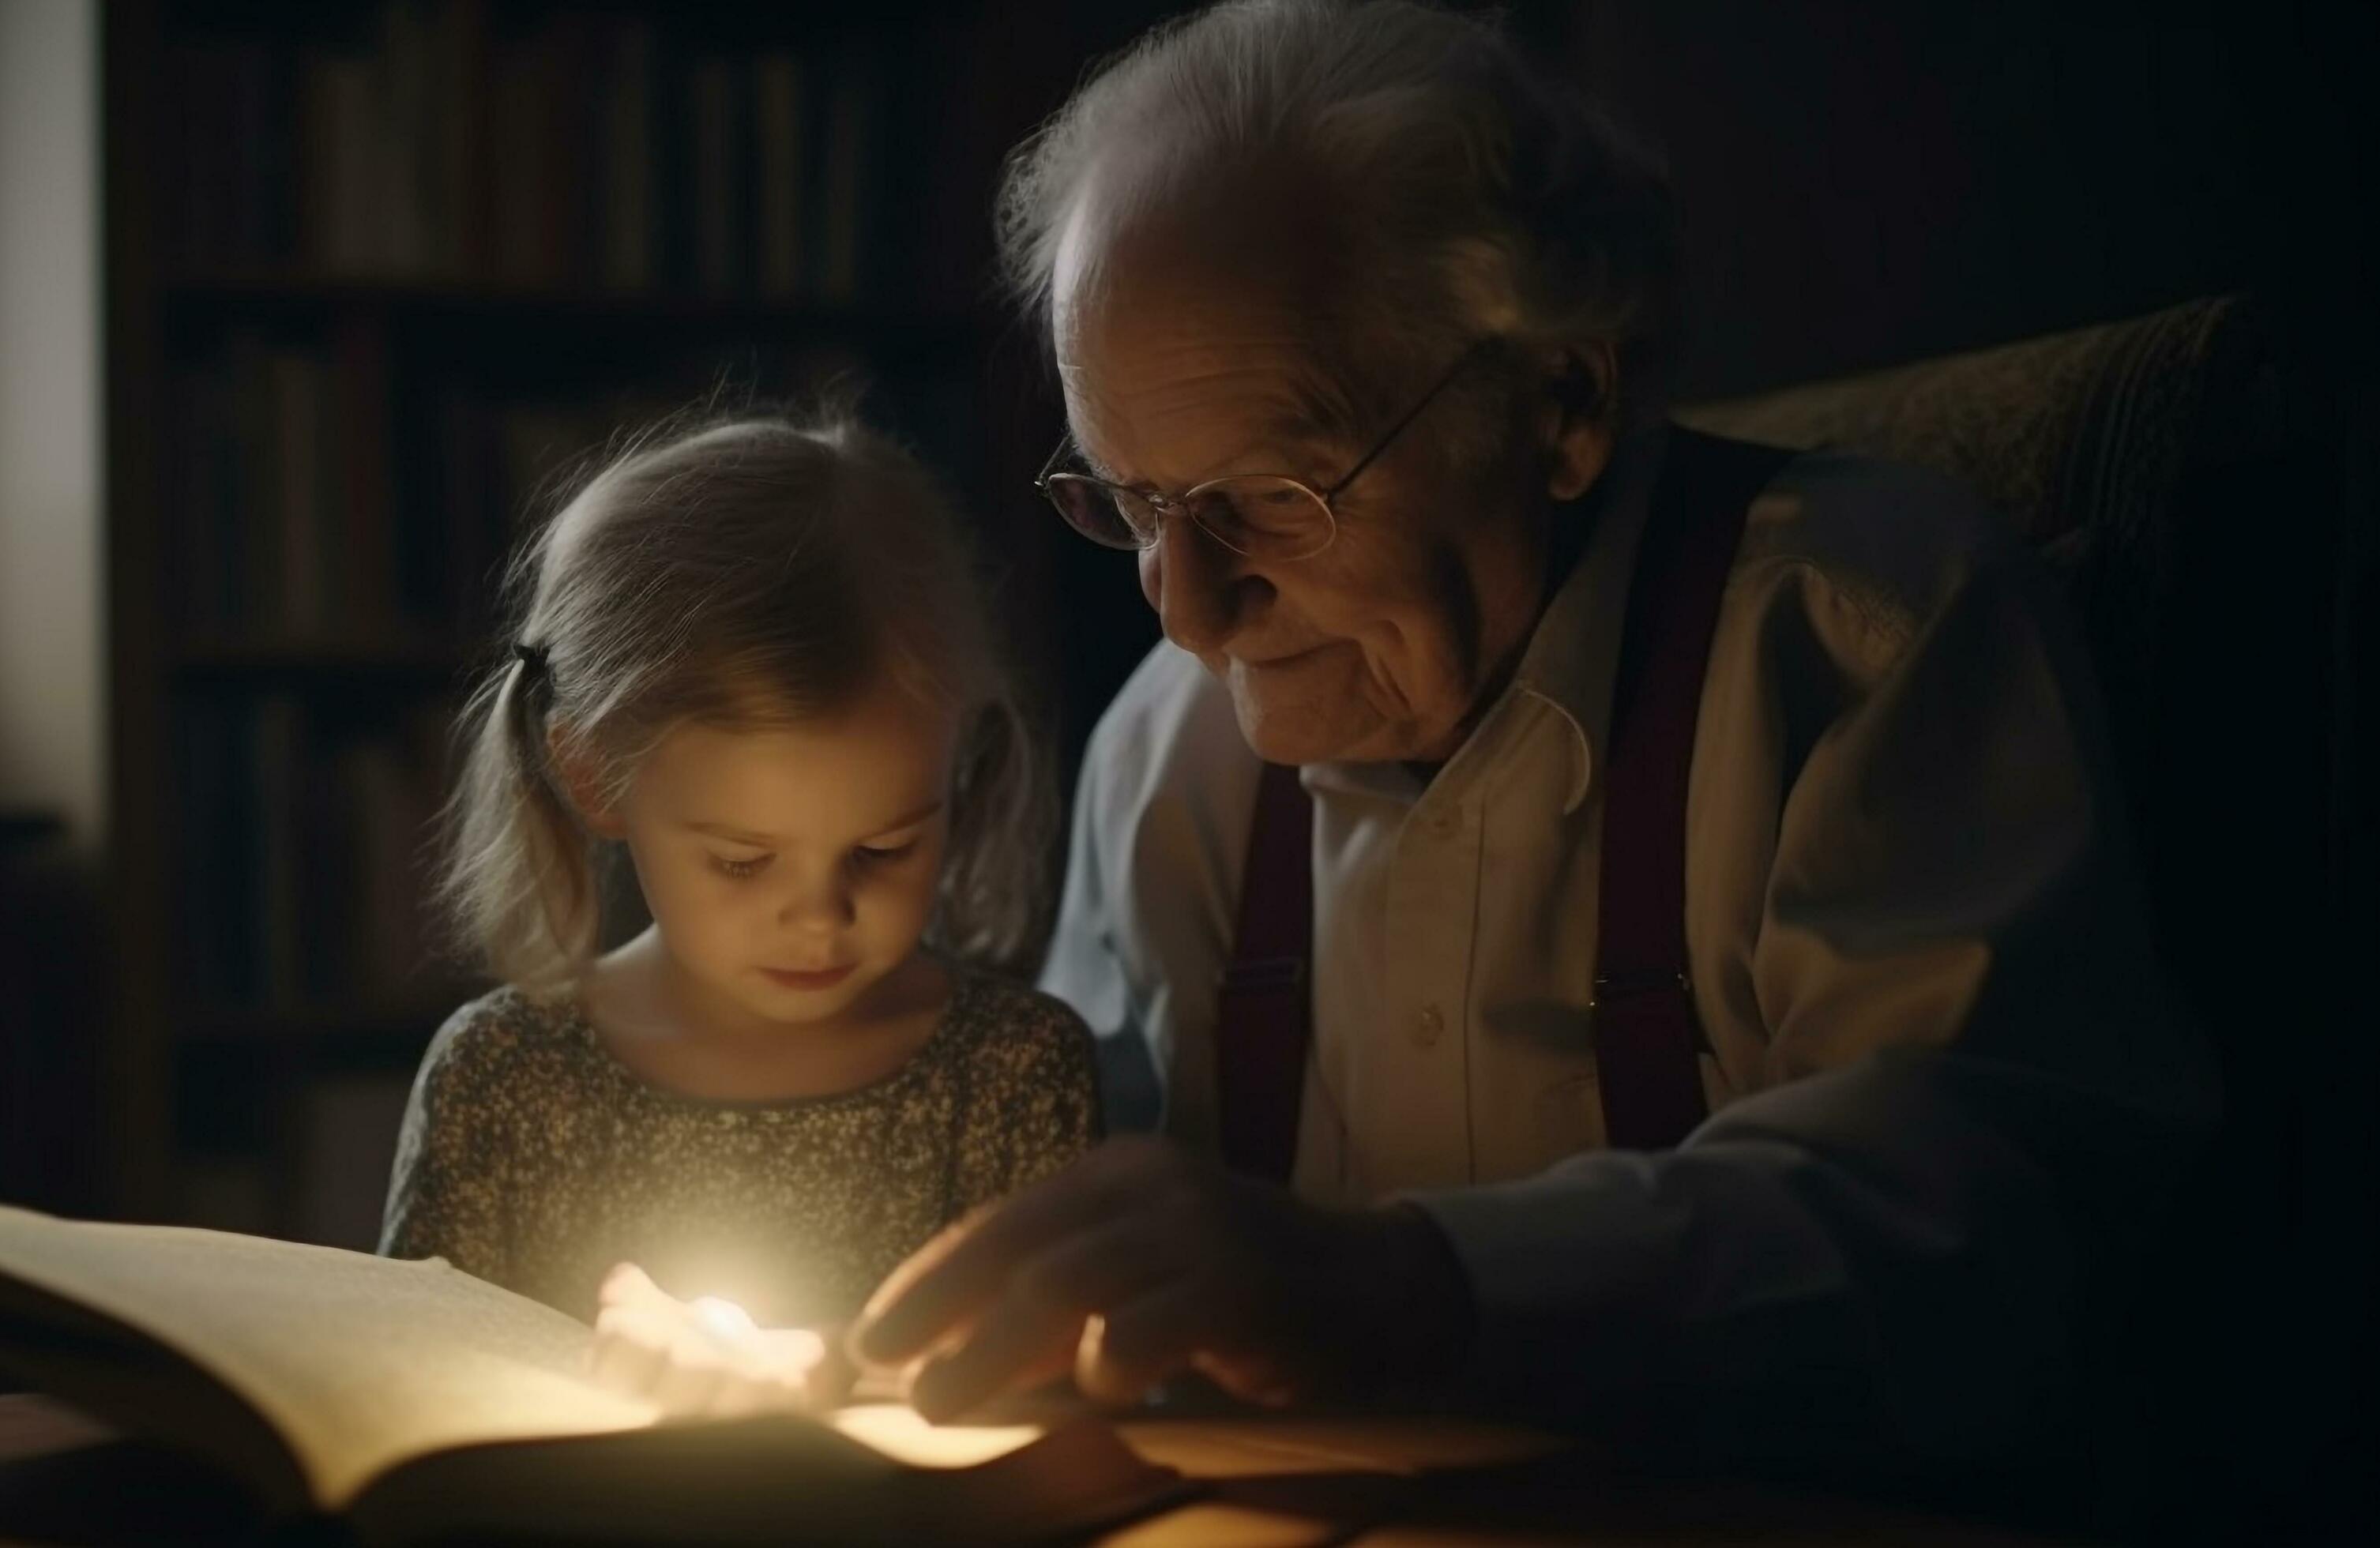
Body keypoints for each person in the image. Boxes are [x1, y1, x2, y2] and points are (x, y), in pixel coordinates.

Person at [849, 0, 2216, 1475]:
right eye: (1131, 502)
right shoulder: (1170, 754)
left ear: (1561, 401)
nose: (1186, 612)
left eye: (1273, 496)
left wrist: (1409, 1287)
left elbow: (1979, 1229)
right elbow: (1080, 1173)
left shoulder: (1857, 639)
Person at [382, 413, 1100, 1377]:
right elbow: (401, 1398)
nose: (819, 916)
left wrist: (831, 1376)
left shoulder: (1009, 1073)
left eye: (883, 849)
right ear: (595, 778)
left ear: (959, 775)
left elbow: (1057, 1405)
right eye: (741, 860)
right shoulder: (504, 1078)